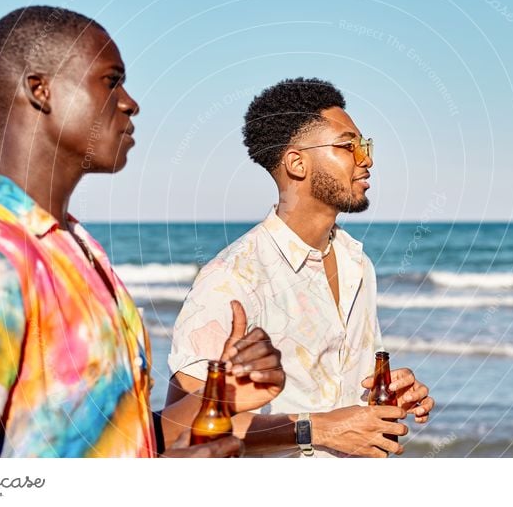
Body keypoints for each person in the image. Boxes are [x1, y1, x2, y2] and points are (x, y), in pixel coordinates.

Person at [0, 6, 284, 458]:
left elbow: (109, 445)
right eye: (110, 80)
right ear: (41, 90)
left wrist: (220, 395)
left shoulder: (75, 253)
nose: (130, 102)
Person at [166, 77, 434, 457]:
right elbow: (182, 427)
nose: (366, 159)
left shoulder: (357, 263)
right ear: (296, 162)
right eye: (348, 146)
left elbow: (341, 390)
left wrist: (387, 393)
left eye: (365, 145)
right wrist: (315, 430)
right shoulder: (232, 278)